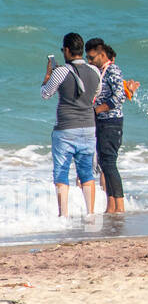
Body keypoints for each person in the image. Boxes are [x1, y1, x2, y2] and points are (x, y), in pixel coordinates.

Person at [40, 33, 103, 217]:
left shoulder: (61, 71)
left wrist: (47, 76)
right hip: (89, 127)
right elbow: (95, 94)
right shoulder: (95, 71)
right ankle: (90, 214)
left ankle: (64, 214)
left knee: (61, 172)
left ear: (67, 50)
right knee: (86, 173)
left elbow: (45, 94)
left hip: (66, 129)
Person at [84, 39, 127, 214]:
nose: (90, 61)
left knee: (109, 163)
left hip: (111, 121)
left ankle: (120, 205)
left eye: (92, 57)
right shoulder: (100, 71)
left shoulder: (113, 70)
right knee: (104, 162)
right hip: (102, 121)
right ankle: (111, 205)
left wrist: (97, 110)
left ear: (102, 54)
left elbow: (119, 96)